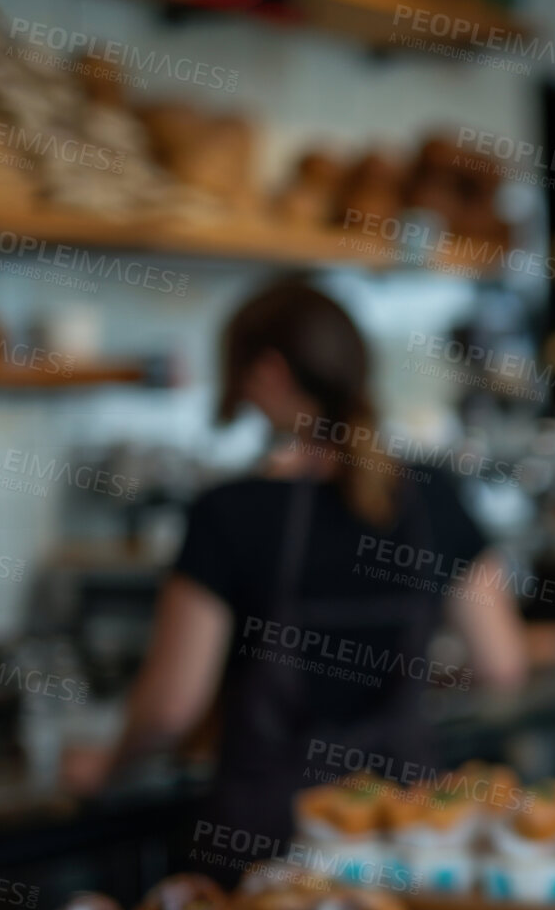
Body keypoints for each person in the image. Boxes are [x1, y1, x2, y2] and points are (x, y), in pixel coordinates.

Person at [64, 277, 528, 868]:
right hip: (407, 837)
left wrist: (106, 766)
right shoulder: (434, 494)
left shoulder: (229, 512)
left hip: (270, 847)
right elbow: (502, 664)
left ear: (271, 372)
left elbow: (170, 708)